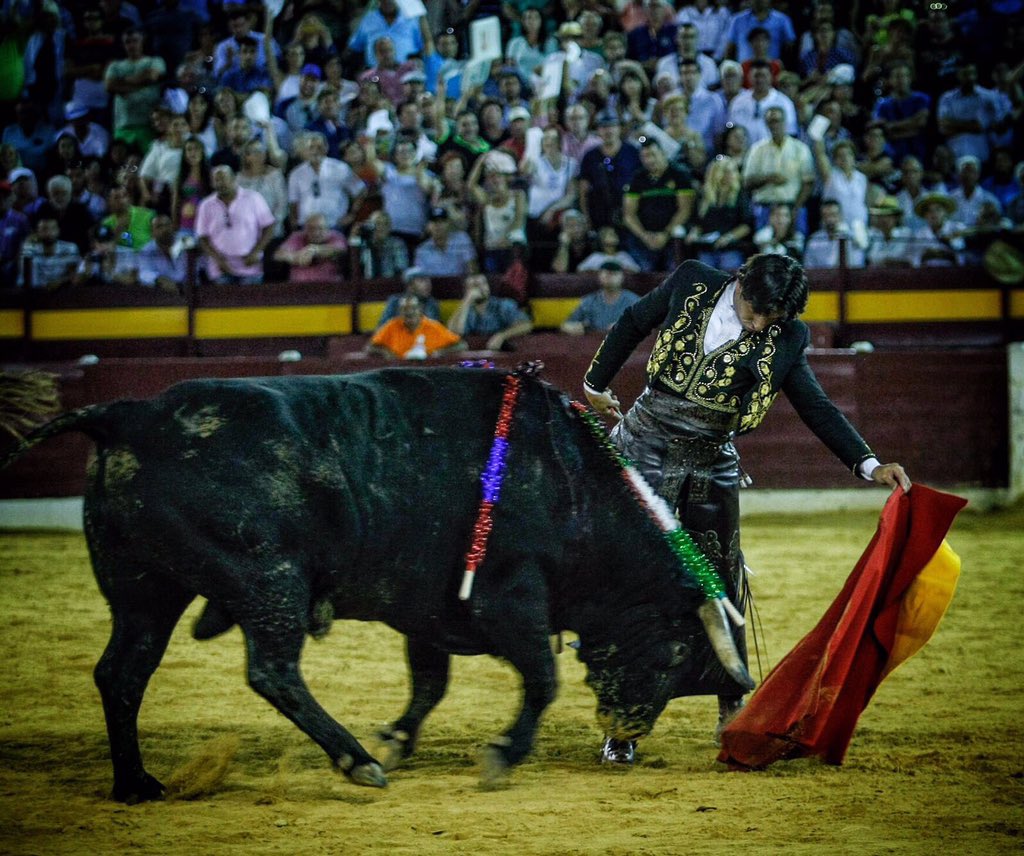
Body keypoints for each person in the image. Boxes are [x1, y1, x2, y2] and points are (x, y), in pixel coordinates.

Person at [581, 253, 911, 763]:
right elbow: (633, 320)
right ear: (738, 282)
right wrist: (595, 384)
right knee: (634, 582)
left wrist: (868, 464)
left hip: (710, 461)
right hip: (643, 446)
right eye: (753, 311)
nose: (758, 325)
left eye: (769, 320)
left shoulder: (788, 336)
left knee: (718, 583)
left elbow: (816, 406)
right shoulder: (691, 280)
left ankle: (731, 706)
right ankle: (624, 722)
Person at [195, 164, 276, 285]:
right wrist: (218, 260)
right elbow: (202, 237)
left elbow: (269, 227)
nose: (221, 183)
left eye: (224, 178)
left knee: (251, 303)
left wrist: (256, 252)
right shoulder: (205, 205)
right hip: (220, 269)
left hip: (250, 266)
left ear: (234, 179)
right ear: (212, 183)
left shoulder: (253, 198)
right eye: (216, 180)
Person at [622, 138, 695, 272]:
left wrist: (665, 234)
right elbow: (628, 214)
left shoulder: (679, 174)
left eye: (653, 155)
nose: (649, 160)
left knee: (673, 270)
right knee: (643, 269)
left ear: (663, 153)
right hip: (644, 236)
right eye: (645, 156)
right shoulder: (637, 178)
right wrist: (644, 236)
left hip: (672, 234)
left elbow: (685, 210)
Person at [446, 273, 533, 350]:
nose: (480, 288)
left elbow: (526, 325)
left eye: (483, 284)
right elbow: (453, 332)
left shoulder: (503, 305)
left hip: (502, 351)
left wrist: (501, 336)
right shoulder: (467, 310)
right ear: (467, 291)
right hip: (475, 355)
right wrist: (466, 301)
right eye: (474, 286)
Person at [366, 294, 466, 360]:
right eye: (405, 309)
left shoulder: (433, 326)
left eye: (413, 308)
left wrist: (440, 352)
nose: (409, 312)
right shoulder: (392, 326)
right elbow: (370, 347)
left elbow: (461, 345)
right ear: (400, 312)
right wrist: (385, 352)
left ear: (420, 309)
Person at [561, 260, 641, 334]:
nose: (610, 277)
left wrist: (626, 327)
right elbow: (565, 325)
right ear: (599, 277)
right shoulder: (588, 301)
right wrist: (573, 328)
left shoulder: (633, 301)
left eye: (614, 274)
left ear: (622, 277)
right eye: (606, 273)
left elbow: (647, 323)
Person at [273, 213, 347, 284]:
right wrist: (295, 257)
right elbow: (278, 255)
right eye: (311, 228)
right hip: (298, 288)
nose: (316, 233)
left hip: (329, 288)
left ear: (327, 228)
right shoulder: (297, 236)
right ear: (305, 228)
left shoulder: (336, 237)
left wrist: (314, 250)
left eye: (320, 228)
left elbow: (338, 250)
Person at [18, 216, 81, 289]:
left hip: (62, 290)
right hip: (36, 292)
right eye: (44, 229)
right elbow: (24, 276)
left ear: (58, 230)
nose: (49, 232)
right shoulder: (30, 248)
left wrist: (60, 282)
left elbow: (75, 274)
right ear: (37, 231)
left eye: (53, 228)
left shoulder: (70, 248)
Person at [413, 206, 478, 277]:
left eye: (442, 221)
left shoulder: (462, 239)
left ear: (448, 223)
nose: (438, 225)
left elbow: (472, 270)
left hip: (460, 285)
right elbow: (420, 278)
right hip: (434, 286)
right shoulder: (422, 250)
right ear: (428, 226)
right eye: (434, 222)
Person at [802, 198, 865, 269]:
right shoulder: (815, 241)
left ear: (841, 216)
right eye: (826, 216)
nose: (830, 220)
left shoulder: (852, 238)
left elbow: (858, 265)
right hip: (822, 279)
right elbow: (808, 268)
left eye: (833, 215)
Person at [138, 213, 188, 292]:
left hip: (192, 289)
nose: (164, 229)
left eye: (167, 225)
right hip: (164, 292)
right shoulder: (147, 250)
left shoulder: (186, 241)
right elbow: (144, 273)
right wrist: (159, 279)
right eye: (159, 227)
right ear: (152, 232)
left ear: (173, 227)